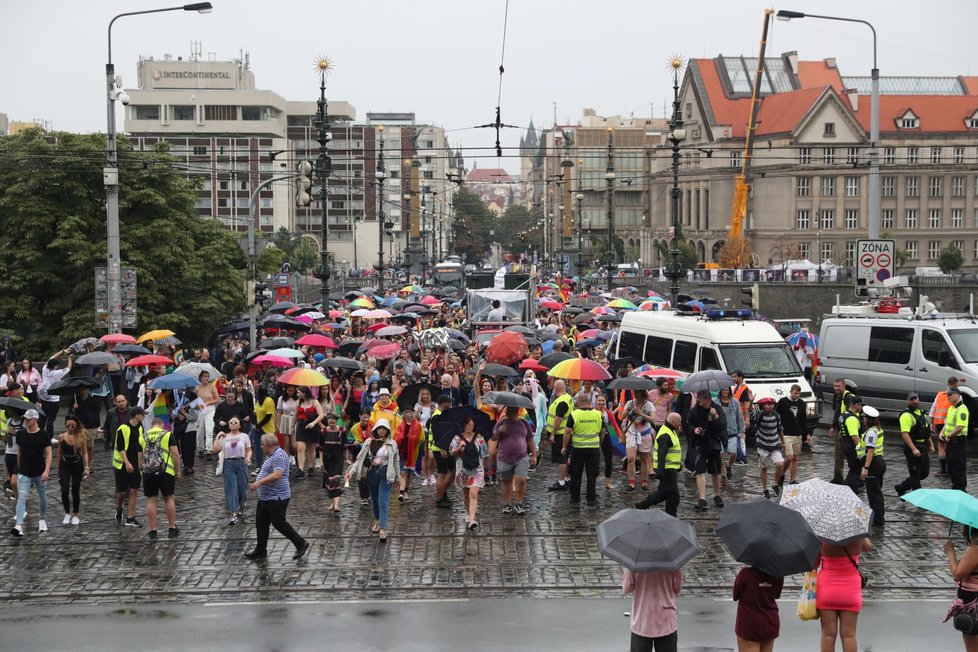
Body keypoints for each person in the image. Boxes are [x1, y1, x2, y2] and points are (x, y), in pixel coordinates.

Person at [245, 434, 310, 560]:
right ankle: (260, 550)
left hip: (277, 497)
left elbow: (277, 474)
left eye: (262, 444)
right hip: (266, 497)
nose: (261, 447)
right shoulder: (271, 455)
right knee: (261, 523)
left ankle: (301, 543)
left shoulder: (279, 455)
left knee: (279, 523)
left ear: (268, 445)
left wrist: (259, 483)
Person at [346, 419, 399, 542]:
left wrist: (398, 477)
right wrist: (350, 472)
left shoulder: (392, 443)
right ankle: (377, 519)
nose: (381, 430)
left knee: (383, 501)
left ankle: (383, 529)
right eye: (379, 428)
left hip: (386, 473)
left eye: (384, 428)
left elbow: (396, 460)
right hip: (371, 473)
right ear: (375, 429)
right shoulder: (369, 442)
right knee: (375, 500)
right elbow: (359, 459)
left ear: (387, 430)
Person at [816, 537, 873, 652]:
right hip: (850, 590)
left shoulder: (822, 539)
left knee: (828, 635)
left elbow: (814, 564)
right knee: (849, 636)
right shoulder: (857, 536)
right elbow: (869, 547)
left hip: (827, 590)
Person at [622, 565, 682, 652]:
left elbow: (627, 588)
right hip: (666, 623)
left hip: (642, 621)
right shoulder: (672, 561)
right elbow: (677, 588)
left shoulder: (634, 562)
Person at [490, 404, 537, 515]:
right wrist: (499, 431)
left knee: (521, 480)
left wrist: (534, 455)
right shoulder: (502, 423)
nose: (508, 413)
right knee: (506, 481)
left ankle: (519, 503)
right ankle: (506, 503)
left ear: (517, 412)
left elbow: (530, 439)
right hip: (504, 457)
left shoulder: (524, 423)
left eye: (511, 411)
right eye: (508, 411)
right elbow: (493, 438)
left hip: (522, 457)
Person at [10, 410, 51, 536]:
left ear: (35, 420)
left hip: (39, 472)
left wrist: (46, 471)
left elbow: (49, 453)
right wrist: (19, 469)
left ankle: (42, 520)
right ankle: (19, 525)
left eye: (28, 418)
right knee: (22, 497)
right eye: (25, 418)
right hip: (24, 472)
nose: (26, 420)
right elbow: (19, 453)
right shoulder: (21, 434)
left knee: (42, 496)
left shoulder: (44, 435)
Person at [139, 417, 181, 539]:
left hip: (148, 472)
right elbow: (175, 454)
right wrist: (177, 471)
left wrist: (141, 473)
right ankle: (172, 527)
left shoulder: (143, 437)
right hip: (165, 471)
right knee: (169, 499)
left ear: (152, 425)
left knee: (151, 500)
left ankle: (153, 530)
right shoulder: (167, 434)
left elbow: (139, 458)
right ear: (162, 425)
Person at [635, 412, 683, 517]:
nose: (680, 424)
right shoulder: (666, 434)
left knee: (668, 493)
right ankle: (644, 504)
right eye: (679, 422)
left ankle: (670, 514)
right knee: (671, 494)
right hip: (666, 470)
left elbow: (671, 452)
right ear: (673, 422)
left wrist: (677, 465)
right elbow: (662, 453)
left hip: (670, 468)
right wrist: (660, 471)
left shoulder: (671, 430)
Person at [562, 392, 606, 506]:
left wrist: (564, 447)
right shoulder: (598, 414)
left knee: (576, 474)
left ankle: (575, 498)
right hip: (593, 449)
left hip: (578, 449)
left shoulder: (574, 414)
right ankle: (591, 498)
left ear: (578, 402)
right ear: (588, 402)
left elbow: (567, 432)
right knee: (592, 475)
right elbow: (603, 432)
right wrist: (599, 444)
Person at [687, 389, 727, 510]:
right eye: (698, 398)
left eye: (701, 398)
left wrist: (715, 416)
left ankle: (716, 495)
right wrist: (694, 430)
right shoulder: (694, 410)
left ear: (707, 399)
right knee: (700, 470)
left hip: (714, 442)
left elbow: (723, 426)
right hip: (700, 442)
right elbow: (688, 424)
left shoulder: (717, 409)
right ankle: (702, 498)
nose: (698, 400)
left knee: (715, 470)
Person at [733, 565, 784, 652]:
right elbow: (777, 595)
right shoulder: (778, 574)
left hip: (749, 625)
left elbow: (735, 595)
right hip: (769, 623)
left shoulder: (745, 573)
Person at [943, 526, 978, 650]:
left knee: (972, 643)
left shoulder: (976, 550)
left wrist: (950, 551)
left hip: (972, 600)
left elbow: (957, 574)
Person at [450, 415, 488, 529]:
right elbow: (451, 452)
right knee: (466, 494)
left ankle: (472, 519)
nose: (469, 427)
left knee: (473, 494)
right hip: (463, 470)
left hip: (477, 469)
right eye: (467, 425)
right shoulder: (457, 438)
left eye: (471, 425)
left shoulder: (479, 437)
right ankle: (468, 513)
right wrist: (459, 449)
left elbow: (484, 451)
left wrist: (485, 464)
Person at [893, 392, 932, 497]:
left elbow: (925, 430)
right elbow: (905, 435)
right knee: (915, 475)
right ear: (908, 401)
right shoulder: (906, 415)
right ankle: (919, 500)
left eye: (916, 399)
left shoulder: (921, 413)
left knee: (924, 473)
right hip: (912, 448)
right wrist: (914, 449)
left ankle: (902, 487)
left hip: (923, 447)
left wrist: (931, 444)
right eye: (912, 399)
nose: (915, 401)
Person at [213, 417, 251, 525]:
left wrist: (248, 457)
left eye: (236, 423)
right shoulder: (225, 437)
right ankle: (233, 512)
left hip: (241, 463)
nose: (233, 424)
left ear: (239, 425)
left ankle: (241, 505)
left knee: (242, 488)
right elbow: (215, 449)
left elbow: (249, 450)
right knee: (231, 488)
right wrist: (218, 436)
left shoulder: (244, 436)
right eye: (231, 423)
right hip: (228, 464)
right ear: (228, 425)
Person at [114, 406, 145, 527]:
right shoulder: (123, 428)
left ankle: (130, 517)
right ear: (136, 415)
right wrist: (127, 463)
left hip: (135, 462)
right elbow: (120, 447)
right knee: (122, 492)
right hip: (122, 464)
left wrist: (139, 463)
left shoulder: (140, 427)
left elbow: (140, 446)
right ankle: (119, 507)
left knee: (134, 490)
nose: (144, 416)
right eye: (142, 414)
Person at [56, 415, 89, 526]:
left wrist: (87, 467)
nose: (70, 428)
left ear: (76, 426)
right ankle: (67, 513)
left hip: (77, 463)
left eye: (73, 426)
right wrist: (58, 467)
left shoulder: (81, 436)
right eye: (68, 425)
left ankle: (75, 513)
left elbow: (85, 452)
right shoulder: (61, 437)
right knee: (64, 489)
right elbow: (59, 453)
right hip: (65, 464)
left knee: (75, 489)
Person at [859, 405, 889, 527]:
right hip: (879, 462)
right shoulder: (878, 429)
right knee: (877, 490)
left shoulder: (871, 432)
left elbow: (870, 451)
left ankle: (878, 519)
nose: (863, 419)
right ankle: (879, 517)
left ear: (868, 419)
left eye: (864, 417)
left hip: (873, 464)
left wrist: (865, 468)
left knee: (873, 493)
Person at [621, 388, 655, 493]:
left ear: (642, 393)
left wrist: (641, 413)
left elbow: (653, 419)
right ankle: (631, 484)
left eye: (637, 392)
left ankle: (644, 483)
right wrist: (629, 410)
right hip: (632, 433)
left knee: (644, 459)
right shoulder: (630, 403)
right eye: (634, 392)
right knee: (631, 458)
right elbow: (622, 416)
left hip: (644, 434)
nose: (635, 394)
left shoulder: (649, 405)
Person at [753, 398, 785, 499]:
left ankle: (775, 484)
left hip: (775, 444)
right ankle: (765, 489)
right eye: (768, 404)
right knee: (764, 468)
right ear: (763, 406)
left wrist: (782, 442)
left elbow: (780, 429)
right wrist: (750, 403)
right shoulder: (760, 414)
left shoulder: (776, 415)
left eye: (772, 404)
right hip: (762, 445)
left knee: (780, 464)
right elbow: (751, 414)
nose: (770, 406)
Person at [546, 379, 573, 492]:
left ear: (556, 388)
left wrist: (552, 434)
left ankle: (561, 482)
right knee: (565, 457)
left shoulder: (562, 401)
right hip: (564, 433)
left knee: (562, 458)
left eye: (553, 385)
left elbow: (558, 419)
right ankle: (567, 479)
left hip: (559, 434)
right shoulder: (567, 397)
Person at [941, 387, 970, 492]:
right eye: (947, 395)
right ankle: (955, 488)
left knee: (958, 467)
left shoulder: (962, 409)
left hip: (958, 442)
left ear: (957, 395)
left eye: (950, 394)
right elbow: (947, 422)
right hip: (950, 442)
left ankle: (961, 490)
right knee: (951, 467)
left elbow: (960, 426)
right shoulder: (951, 408)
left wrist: (949, 436)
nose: (947, 397)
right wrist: (942, 432)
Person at [776, 385, 806, 485]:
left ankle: (792, 480)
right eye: (795, 393)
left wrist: (807, 434)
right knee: (789, 457)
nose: (797, 395)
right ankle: (781, 474)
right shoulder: (783, 401)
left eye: (798, 393)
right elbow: (777, 415)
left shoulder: (801, 403)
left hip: (797, 433)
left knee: (795, 458)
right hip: (786, 434)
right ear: (791, 391)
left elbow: (803, 419)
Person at [294, 386, 325, 479]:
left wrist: (313, 423)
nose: (297, 394)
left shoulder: (314, 401)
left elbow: (321, 415)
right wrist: (292, 425)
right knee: (300, 448)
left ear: (304, 393)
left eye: (298, 392)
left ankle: (311, 467)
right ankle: (301, 469)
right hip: (301, 427)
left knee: (311, 449)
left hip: (312, 427)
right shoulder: (298, 402)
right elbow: (296, 415)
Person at [930, 376, 959, 477]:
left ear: (947, 384)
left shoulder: (940, 395)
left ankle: (943, 470)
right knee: (950, 447)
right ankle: (951, 469)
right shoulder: (957, 395)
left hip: (939, 424)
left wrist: (932, 423)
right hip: (952, 425)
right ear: (956, 384)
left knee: (941, 447)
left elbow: (932, 410)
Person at [395, 406, 424, 503]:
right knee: (402, 472)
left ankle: (406, 490)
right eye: (406, 412)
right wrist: (402, 437)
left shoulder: (417, 426)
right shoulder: (400, 425)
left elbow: (421, 439)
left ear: (413, 413)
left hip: (412, 452)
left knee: (408, 473)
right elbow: (395, 436)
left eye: (410, 412)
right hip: (402, 451)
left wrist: (411, 437)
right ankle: (401, 492)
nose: (408, 414)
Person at [38, 352, 71, 439]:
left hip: (43, 397)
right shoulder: (57, 373)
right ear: (55, 366)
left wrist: (63, 351)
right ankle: (50, 437)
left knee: (42, 418)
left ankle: (39, 434)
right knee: (50, 420)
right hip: (53, 399)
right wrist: (70, 359)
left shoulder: (44, 368)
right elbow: (68, 368)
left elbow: (52, 357)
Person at [830, 379, 855, 484]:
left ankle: (857, 478)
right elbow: (837, 413)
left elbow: (852, 414)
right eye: (835, 386)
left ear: (844, 386)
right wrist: (834, 427)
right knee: (838, 454)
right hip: (840, 429)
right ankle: (838, 477)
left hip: (849, 431)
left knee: (850, 455)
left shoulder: (848, 397)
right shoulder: (836, 397)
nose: (836, 388)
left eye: (839, 386)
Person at [319, 412, 345, 513]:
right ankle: (332, 502)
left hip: (338, 459)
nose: (332, 425)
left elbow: (345, 445)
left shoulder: (342, 431)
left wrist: (346, 458)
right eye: (330, 423)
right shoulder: (323, 431)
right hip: (327, 459)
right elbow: (320, 448)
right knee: (328, 481)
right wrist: (321, 461)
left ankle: (337, 504)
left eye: (334, 423)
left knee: (336, 480)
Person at [840, 396, 865, 493]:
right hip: (852, 448)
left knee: (854, 469)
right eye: (861, 405)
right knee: (856, 470)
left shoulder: (844, 415)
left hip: (846, 445)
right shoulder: (852, 419)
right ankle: (848, 491)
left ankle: (854, 488)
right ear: (856, 405)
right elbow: (854, 436)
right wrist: (862, 450)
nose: (862, 407)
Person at [719, 387, 745, 481]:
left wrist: (741, 430)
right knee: (720, 454)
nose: (725, 391)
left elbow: (740, 417)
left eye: (727, 390)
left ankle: (729, 465)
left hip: (732, 431)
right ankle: (722, 474)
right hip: (719, 431)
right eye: (723, 389)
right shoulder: (715, 402)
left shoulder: (735, 402)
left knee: (733, 453)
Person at [196, 370, 221, 460]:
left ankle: (209, 450)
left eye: (208, 376)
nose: (206, 378)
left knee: (209, 430)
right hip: (200, 409)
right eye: (205, 376)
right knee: (200, 430)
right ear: (201, 378)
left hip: (210, 409)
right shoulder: (197, 387)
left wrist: (208, 402)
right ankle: (200, 448)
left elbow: (217, 399)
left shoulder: (212, 387)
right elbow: (194, 399)